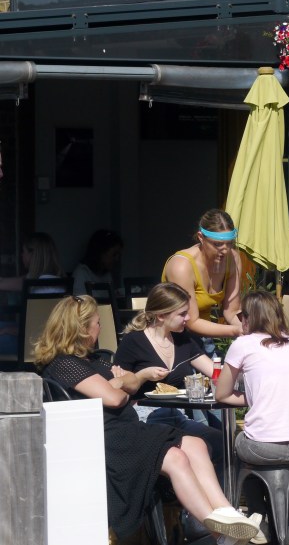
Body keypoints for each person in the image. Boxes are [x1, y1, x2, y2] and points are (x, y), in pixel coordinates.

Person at [35, 295, 261, 545]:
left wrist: (122, 382)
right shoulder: (65, 365)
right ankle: (221, 533)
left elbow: (132, 382)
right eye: (97, 323)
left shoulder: (93, 360)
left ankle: (227, 513)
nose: (99, 328)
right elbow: (115, 398)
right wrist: (121, 382)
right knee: (176, 457)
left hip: (128, 430)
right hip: (105, 440)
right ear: (81, 328)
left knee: (196, 444)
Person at [215, 291, 289, 543]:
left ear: (251, 317)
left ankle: (259, 518)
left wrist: (254, 396)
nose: (240, 320)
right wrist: (259, 395)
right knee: (287, 464)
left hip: (265, 448)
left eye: (242, 315)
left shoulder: (242, 344)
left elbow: (222, 394)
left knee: (239, 445)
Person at [114, 283, 222, 466]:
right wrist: (143, 375)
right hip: (144, 418)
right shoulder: (134, 342)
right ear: (161, 315)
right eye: (182, 314)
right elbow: (117, 388)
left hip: (177, 416)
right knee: (194, 448)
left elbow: (214, 371)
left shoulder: (183, 340)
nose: (188, 318)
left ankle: (219, 493)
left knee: (219, 441)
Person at [161, 209, 243, 347]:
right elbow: (190, 321)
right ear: (201, 237)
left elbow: (231, 311)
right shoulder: (182, 266)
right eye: (217, 244)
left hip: (204, 339)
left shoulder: (233, 259)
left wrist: (253, 330)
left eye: (229, 243)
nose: (225, 250)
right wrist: (237, 330)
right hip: (171, 339)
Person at [0, 232, 65, 293]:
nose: (22, 255)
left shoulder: (44, 288)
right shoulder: (38, 279)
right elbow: (22, 281)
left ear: (32, 255)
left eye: (24, 251)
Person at [72, 229, 124, 296]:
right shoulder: (81, 274)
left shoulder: (107, 275)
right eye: (114, 254)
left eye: (118, 255)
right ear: (101, 252)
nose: (117, 259)